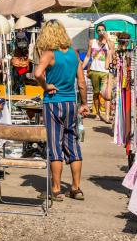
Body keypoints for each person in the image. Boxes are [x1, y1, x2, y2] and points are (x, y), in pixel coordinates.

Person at [33, 20, 89, 202]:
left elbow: (37, 73)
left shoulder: (49, 54)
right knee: (73, 144)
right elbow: (81, 82)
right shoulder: (73, 54)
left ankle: (56, 189)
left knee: (55, 146)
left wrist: (46, 85)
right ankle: (76, 187)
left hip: (53, 103)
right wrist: (84, 103)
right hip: (71, 104)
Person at [83, 24, 113, 121]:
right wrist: (81, 67)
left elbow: (112, 49)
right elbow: (88, 56)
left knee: (105, 93)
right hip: (94, 70)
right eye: (99, 30)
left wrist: (107, 38)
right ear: (96, 32)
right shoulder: (92, 42)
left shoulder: (109, 43)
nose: (101, 31)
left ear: (105, 30)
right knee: (96, 93)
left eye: (102, 30)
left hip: (105, 71)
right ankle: (98, 113)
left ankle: (106, 113)